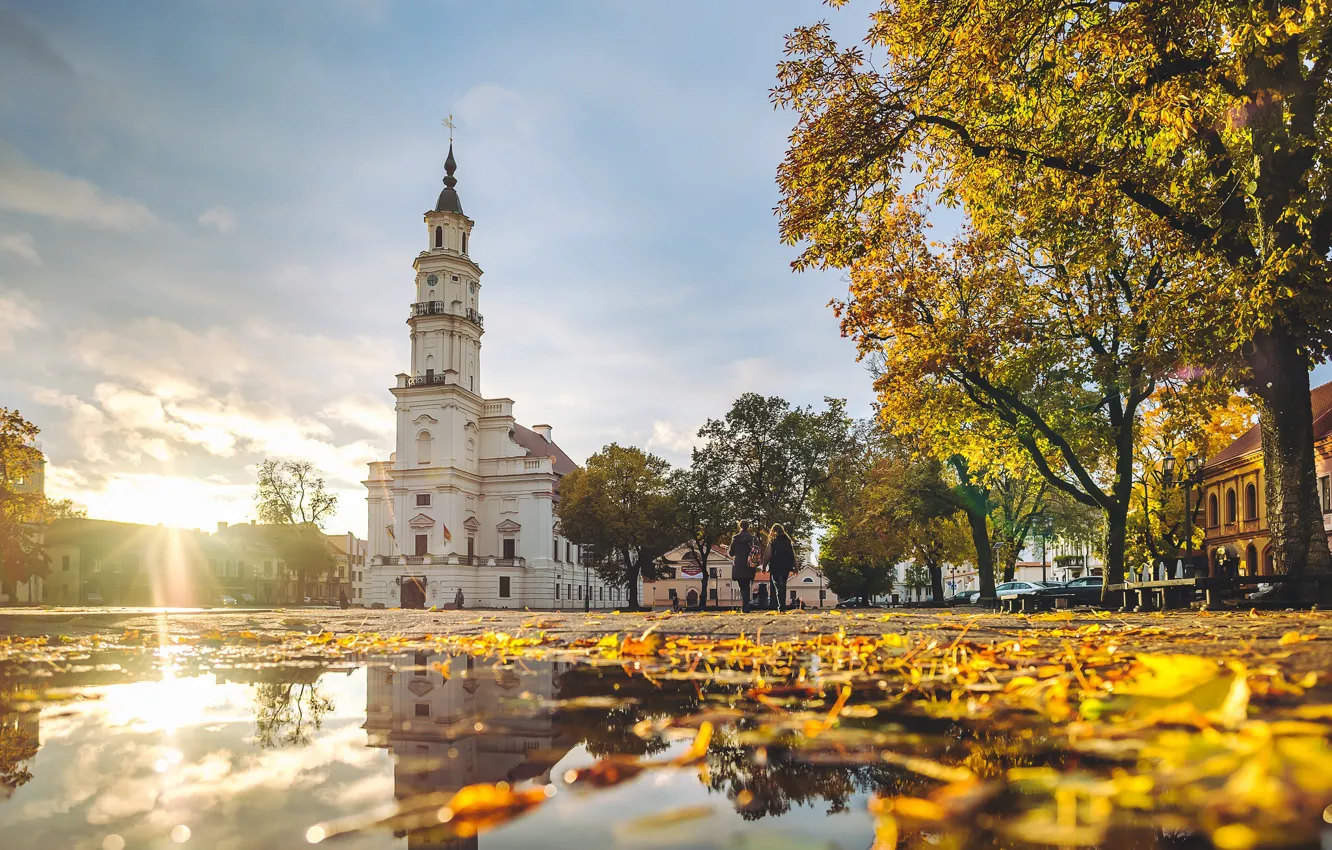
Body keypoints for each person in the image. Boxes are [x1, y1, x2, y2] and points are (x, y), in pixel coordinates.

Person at [762, 523, 796, 613]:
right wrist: (796, 567)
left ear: (773, 531)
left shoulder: (773, 541)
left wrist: (764, 566)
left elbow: (768, 554)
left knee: (778, 586)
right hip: (786, 566)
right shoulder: (788, 541)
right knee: (783, 585)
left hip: (775, 566)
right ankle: (782, 606)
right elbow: (793, 555)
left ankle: (780, 606)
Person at [728, 520, 756, 613]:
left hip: (739, 564)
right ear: (748, 527)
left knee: (742, 586)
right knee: (747, 586)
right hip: (749, 564)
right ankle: (746, 606)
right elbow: (755, 550)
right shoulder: (752, 538)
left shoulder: (735, 538)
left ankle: (745, 606)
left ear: (740, 526)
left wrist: (728, 550)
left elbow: (731, 553)